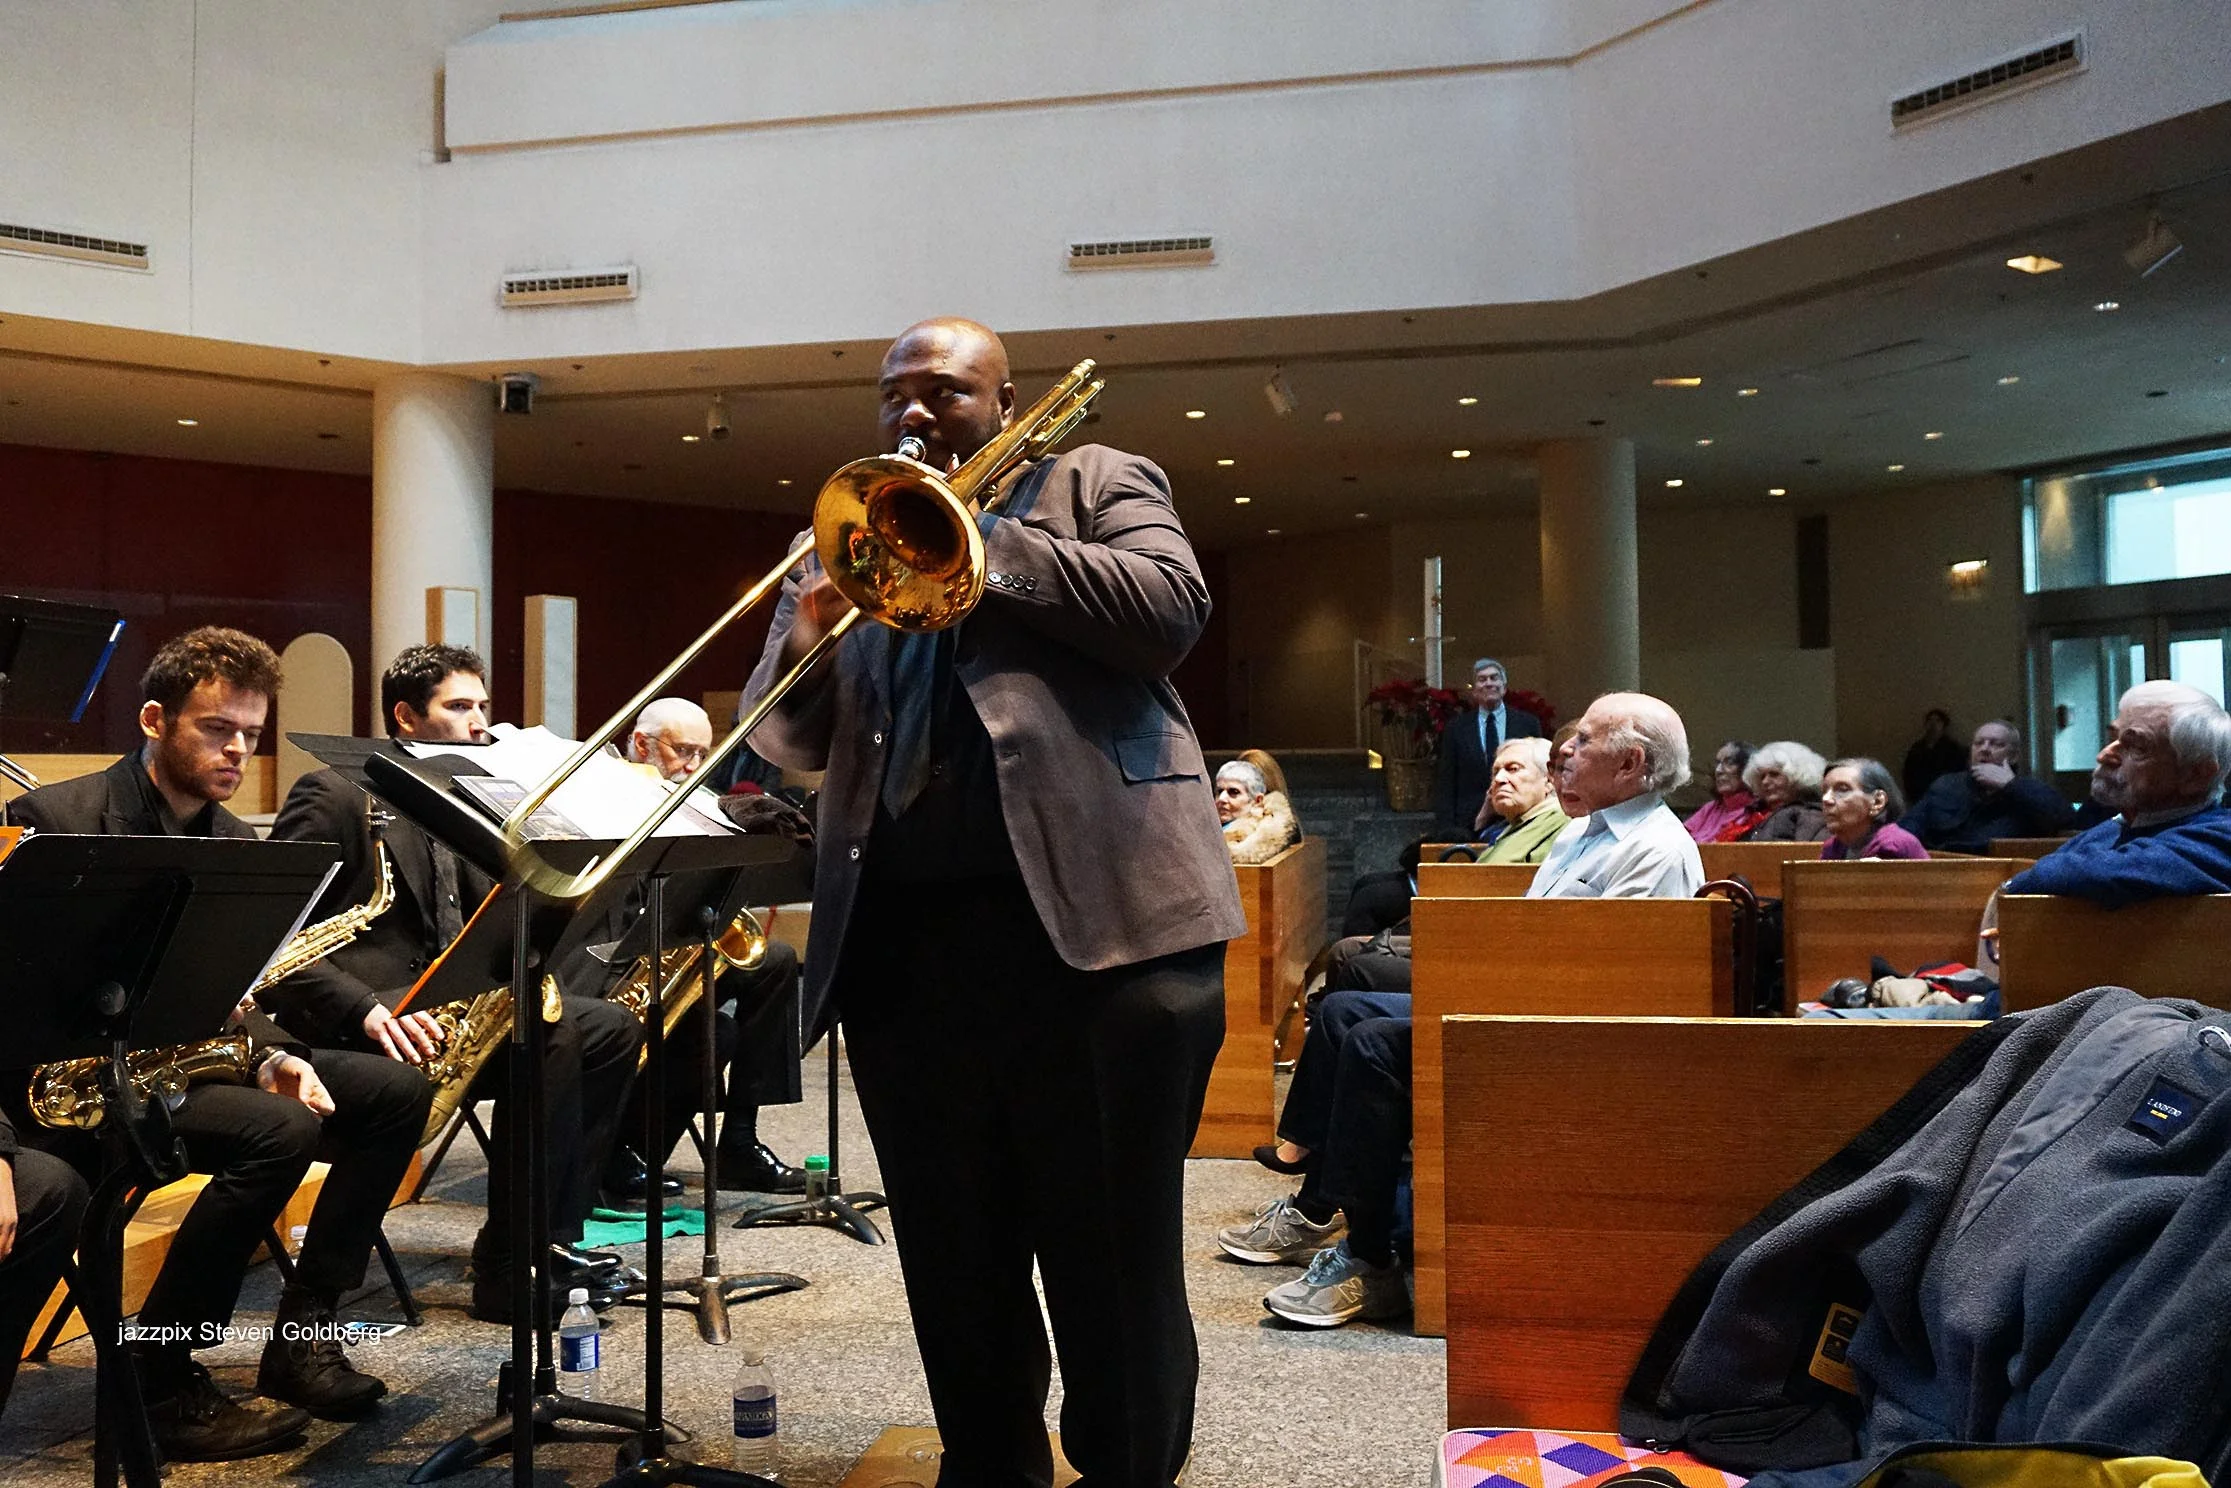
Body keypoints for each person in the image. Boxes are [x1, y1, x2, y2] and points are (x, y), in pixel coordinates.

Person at [742, 317, 1244, 1488]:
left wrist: (981, 543)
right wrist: (812, 635)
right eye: (893, 397)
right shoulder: (846, 535)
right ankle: (989, 1465)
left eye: (945, 393)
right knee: (952, 1250)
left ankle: (1126, 1471)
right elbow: (788, 739)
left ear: (1006, 402)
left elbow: (1169, 610)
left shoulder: (1093, 481)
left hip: (1102, 945)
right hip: (909, 952)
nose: (914, 415)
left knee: (1108, 1250)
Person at [3, 627, 430, 1452]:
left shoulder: (237, 843)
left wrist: (272, 1054)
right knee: (279, 1129)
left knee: (390, 1094)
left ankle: (305, 1333)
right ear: (156, 719)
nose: (237, 749)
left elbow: (247, 989)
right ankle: (156, 1379)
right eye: (216, 728)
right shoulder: (54, 816)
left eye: (251, 734)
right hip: (64, 1091)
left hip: (176, 1073)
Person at [1228, 695, 1701, 1329]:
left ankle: (1371, 1260)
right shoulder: (1587, 832)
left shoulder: (1653, 848)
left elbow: (1609, 991)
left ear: (1630, 764)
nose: (1568, 750)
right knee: (1342, 1010)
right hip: (1518, 1000)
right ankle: (1321, 1206)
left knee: (1372, 1042)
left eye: (1586, 741)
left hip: (1565, 1042)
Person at [264, 644, 642, 1324]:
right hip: (362, 1016)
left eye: (482, 707)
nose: (478, 724)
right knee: (549, 1040)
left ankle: (532, 1244)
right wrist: (363, 1009)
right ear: (405, 717)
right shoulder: (334, 795)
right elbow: (277, 940)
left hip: (449, 1011)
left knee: (609, 1029)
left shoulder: (464, 798)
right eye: (458, 707)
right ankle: (508, 1265)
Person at [603, 696, 810, 1203]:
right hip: (615, 953)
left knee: (775, 961)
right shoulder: (605, 789)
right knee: (714, 1031)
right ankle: (619, 1150)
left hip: (675, 942)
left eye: (703, 754)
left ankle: (739, 1137)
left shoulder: (689, 793)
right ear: (641, 743)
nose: (693, 767)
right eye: (681, 752)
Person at [1998, 681, 2231, 905]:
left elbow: (2115, 870)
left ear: (2196, 775)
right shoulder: (2112, 828)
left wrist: (2011, 886)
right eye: (2112, 739)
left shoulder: (2221, 835)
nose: (2104, 755)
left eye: (2137, 747)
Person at [1898, 719, 2070, 853]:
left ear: (2014, 756)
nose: (1985, 749)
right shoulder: (1947, 785)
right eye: (1978, 743)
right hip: (1943, 869)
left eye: (1996, 744)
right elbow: (1908, 829)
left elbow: (2064, 819)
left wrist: (2010, 785)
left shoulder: (2030, 790)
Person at [1431, 657, 1543, 836]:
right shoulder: (1456, 728)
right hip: (1468, 825)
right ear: (1474, 691)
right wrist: (1447, 830)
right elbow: (1446, 781)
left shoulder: (1527, 724)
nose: (1489, 683)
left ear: (1504, 687)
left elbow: (1540, 772)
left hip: (1519, 820)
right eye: (1482, 679)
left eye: (1494, 678)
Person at [1819, 757, 1927, 860]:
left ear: (1877, 802)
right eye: (1824, 791)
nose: (1826, 799)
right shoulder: (1834, 847)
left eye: (1842, 790)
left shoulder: (1892, 845)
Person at [1736, 740, 1829, 842]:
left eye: (1774, 774)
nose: (1765, 781)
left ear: (1796, 777)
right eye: (1762, 777)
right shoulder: (1755, 815)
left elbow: (1807, 854)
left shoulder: (1809, 815)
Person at [1216, 757, 1299, 866]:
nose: (1222, 798)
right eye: (1219, 791)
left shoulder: (1267, 830)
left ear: (1258, 800)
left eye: (1234, 792)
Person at [1682, 739, 1757, 843]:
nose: (1718, 770)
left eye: (1729, 763)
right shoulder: (1710, 808)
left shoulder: (1757, 811)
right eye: (1718, 763)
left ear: (1747, 768)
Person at [1902, 707, 1966, 803]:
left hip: (1945, 796)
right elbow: (1908, 771)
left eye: (1938, 721)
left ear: (1944, 725)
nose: (1933, 724)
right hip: (1920, 797)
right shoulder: (1917, 747)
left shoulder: (1953, 748)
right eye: (1930, 721)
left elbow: (1957, 773)